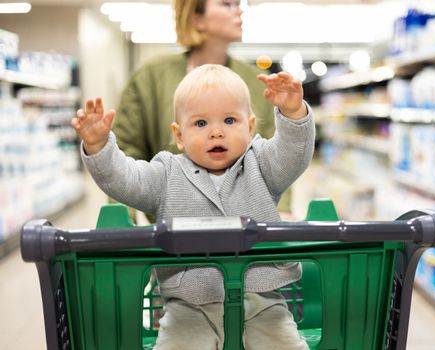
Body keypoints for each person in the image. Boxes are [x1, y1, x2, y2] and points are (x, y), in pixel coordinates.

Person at [72, 64, 314, 350]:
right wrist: (100, 147)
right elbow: (125, 180)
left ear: (249, 128)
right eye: (200, 124)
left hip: (262, 299)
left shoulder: (261, 164)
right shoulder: (166, 174)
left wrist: (293, 113)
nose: (216, 133)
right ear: (179, 135)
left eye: (229, 120)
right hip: (187, 305)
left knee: (284, 345)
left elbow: (293, 155)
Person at [113, 0, 293, 216]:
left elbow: (277, 153)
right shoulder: (150, 77)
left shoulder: (256, 81)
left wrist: (282, 212)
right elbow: (127, 150)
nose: (239, 10)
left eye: (238, 4)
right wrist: (122, 219)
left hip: (250, 234)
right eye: (227, 4)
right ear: (197, 18)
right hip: (176, 234)